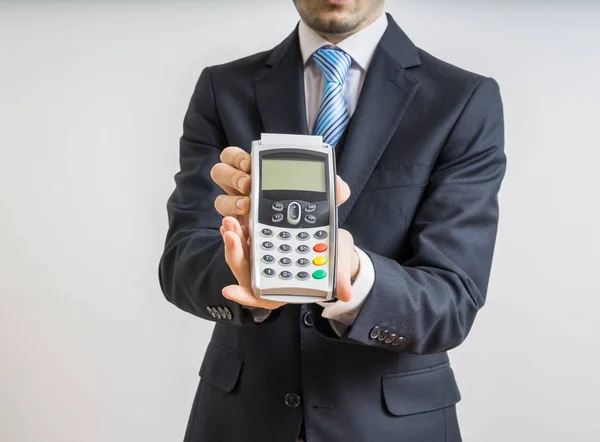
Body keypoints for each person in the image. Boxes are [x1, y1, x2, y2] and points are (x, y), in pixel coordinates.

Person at [158, 0, 506, 440]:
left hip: (393, 427)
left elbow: (454, 299)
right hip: (242, 420)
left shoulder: (462, 99)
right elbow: (180, 262)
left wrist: (356, 276)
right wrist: (241, 270)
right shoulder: (222, 88)